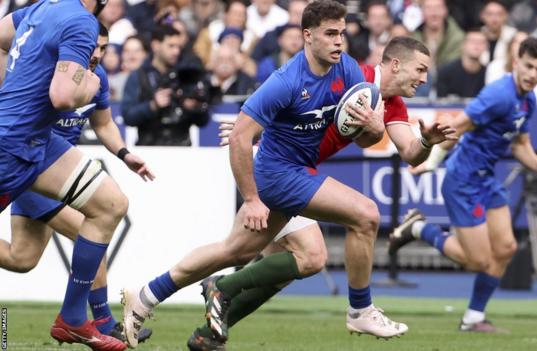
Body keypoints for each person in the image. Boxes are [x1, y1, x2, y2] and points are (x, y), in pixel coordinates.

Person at [120, 1, 413, 347]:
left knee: (234, 252)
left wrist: (375, 128)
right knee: (363, 217)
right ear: (307, 36)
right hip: (276, 174)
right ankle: (359, 310)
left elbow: (363, 137)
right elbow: (240, 138)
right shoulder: (285, 81)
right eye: (330, 33)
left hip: (298, 171)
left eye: (342, 33)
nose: (338, 41)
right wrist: (252, 199)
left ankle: (147, 296)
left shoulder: (347, 69)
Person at [187, 35, 457, 351]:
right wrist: (251, 125)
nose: (425, 79)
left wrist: (426, 142)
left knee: (274, 265)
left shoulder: (392, 104)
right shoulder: (354, 76)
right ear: (396, 64)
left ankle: (208, 327)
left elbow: (411, 154)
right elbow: (299, 95)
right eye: (421, 69)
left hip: (297, 172)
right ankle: (201, 289)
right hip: (278, 168)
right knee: (337, 235)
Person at [0, 0, 150, 349]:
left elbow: (1, 37)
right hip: (10, 146)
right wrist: (91, 82)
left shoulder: (39, 9)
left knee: (111, 204)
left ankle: (73, 319)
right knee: (26, 256)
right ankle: (96, 317)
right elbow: (63, 97)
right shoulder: (81, 23)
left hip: (39, 143)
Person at [391, 37, 537, 332]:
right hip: (463, 180)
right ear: (516, 62)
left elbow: (521, 145)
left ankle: (473, 318)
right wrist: (431, 164)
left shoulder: (529, 99)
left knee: (506, 248)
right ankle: (419, 228)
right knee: (478, 261)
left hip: (486, 179)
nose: (533, 74)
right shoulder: (499, 94)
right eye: (528, 66)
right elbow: (455, 125)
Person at [122, 25, 210, 146]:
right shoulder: (138, 76)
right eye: (171, 46)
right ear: (155, 45)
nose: (176, 51)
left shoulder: (188, 75)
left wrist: (194, 108)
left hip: (181, 149)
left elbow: (204, 121)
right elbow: (128, 117)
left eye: (178, 47)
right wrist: (152, 105)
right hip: (149, 148)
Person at [436, 29, 487, 98]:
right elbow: (440, 103)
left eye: (481, 42)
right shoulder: (446, 72)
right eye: (473, 42)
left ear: (486, 47)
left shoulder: (488, 73)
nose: (477, 46)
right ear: (463, 45)